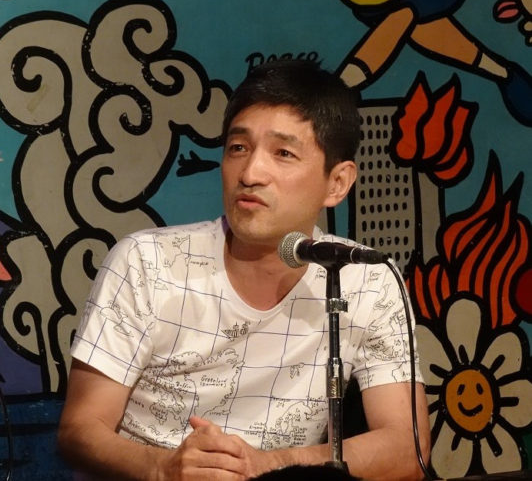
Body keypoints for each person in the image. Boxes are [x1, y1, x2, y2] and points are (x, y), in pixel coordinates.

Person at [58, 59, 430, 480]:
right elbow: (79, 430)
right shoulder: (146, 263)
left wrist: (266, 466)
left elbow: (408, 449)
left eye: (283, 153)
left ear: (337, 183)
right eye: (238, 148)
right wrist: (163, 469)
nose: (250, 173)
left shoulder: (366, 277)